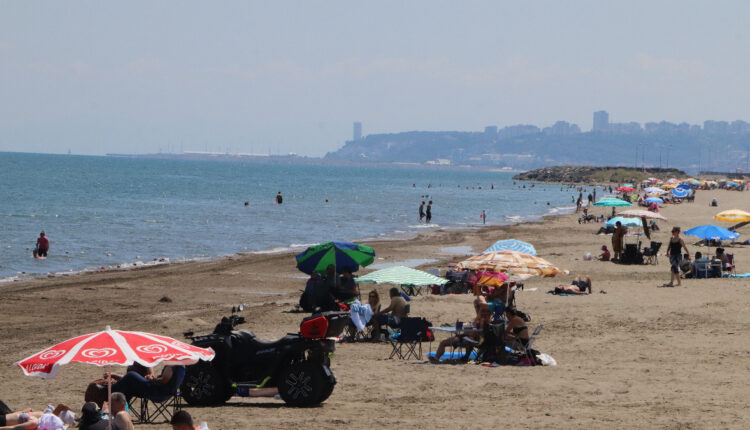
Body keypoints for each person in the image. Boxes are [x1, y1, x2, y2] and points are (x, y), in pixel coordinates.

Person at [86, 365, 185, 406]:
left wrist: (153, 379)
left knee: (131, 376)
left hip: (157, 392)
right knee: (129, 388)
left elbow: (164, 380)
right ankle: (122, 409)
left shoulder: (172, 365)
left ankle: (105, 391)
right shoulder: (181, 367)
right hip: (165, 394)